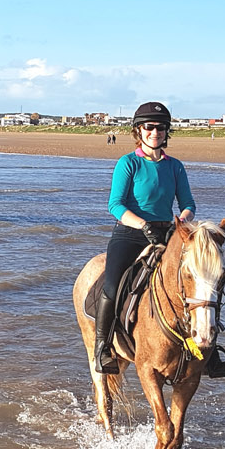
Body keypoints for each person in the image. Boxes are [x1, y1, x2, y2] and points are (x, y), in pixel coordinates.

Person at [91, 101, 196, 374]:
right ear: (139, 130)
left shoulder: (175, 166)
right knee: (112, 286)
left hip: (168, 233)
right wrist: (142, 225)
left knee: (201, 282)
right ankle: (102, 347)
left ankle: (206, 348)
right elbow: (115, 204)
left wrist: (181, 222)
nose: (155, 132)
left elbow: (188, 204)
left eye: (161, 128)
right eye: (149, 127)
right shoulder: (129, 163)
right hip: (130, 233)